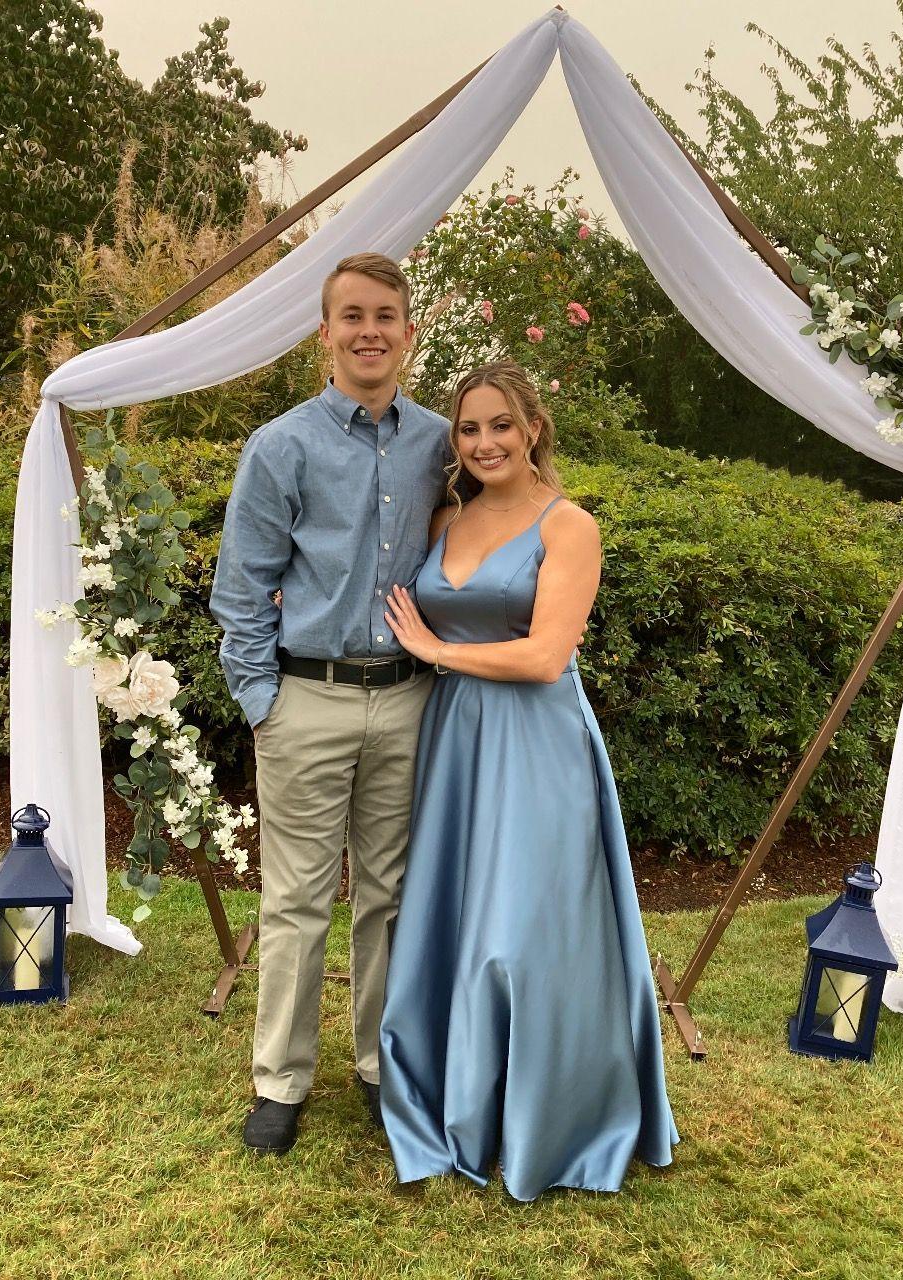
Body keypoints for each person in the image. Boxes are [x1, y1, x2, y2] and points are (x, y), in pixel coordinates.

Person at [377, 360, 679, 1201]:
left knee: (521, 930)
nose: (485, 443)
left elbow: (548, 656)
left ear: (534, 429)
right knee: (458, 911)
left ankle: (548, 1114)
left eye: (501, 425)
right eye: (469, 429)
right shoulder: (446, 518)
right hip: (456, 741)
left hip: (538, 742)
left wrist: (437, 651)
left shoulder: (567, 525)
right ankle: (456, 1090)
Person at [210, 253, 450, 1155]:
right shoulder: (281, 446)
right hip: (306, 700)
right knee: (297, 899)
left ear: (408, 332)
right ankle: (280, 1080)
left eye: (385, 315)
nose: (369, 331)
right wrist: (262, 703)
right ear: (326, 332)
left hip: (409, 701)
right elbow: (242, 590)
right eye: (352, 316)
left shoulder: (440, 445)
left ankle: (381, 1066)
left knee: (392, 896)